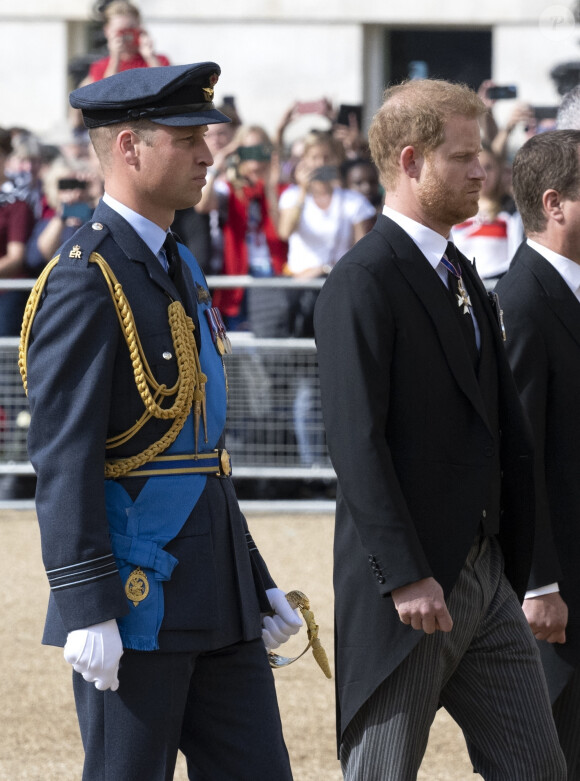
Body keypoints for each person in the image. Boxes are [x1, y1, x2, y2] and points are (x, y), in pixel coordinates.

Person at [21, 61, 301, 781]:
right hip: (134, 597)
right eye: (187, 138)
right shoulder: (88, 276)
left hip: (216, 589)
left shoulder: (179, 263)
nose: (209, 154)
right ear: (129, 147)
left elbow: (202, 448)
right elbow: (63, 454)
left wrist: (255, 576)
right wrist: (87, 604)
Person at [313, 78, 566, 780]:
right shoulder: (363, 280)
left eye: (481, 151)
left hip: (485, 576)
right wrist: (406, 574)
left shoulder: (460, 272)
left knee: (539, 767)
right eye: (464, 156)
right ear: (412, 159)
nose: (483, 169)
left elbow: (504, 432)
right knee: (380, 773)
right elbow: (356, 442)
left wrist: (521, 566)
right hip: (412, 591)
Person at [495, 129, 580, 778]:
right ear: (555, 204)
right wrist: (539, 580)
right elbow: (520, 452)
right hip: (562, 586)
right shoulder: (523, 298)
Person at [451, 141, 523, 289]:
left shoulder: (512, 212)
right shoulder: (452, 211)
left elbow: (517, 259)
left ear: (499, 170)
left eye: (489, 167)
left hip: (497, 290)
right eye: (475, 166)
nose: (482, 173)